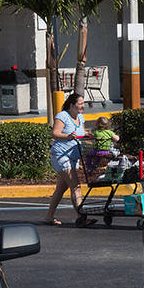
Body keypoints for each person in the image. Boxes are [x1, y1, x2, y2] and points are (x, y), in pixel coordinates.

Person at [45, 93, 93, 226]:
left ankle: (49, 216)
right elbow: (55, 133)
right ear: (72, 105)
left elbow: (81, 132)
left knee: (61, 188)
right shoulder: (62, 116)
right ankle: (82, 217)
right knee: (75, 186)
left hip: (74, 156)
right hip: (61, 155)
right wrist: (68, 136)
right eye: (80, 104)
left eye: (83, 103)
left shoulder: (80, 117)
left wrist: (88, 135)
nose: (83, 106)